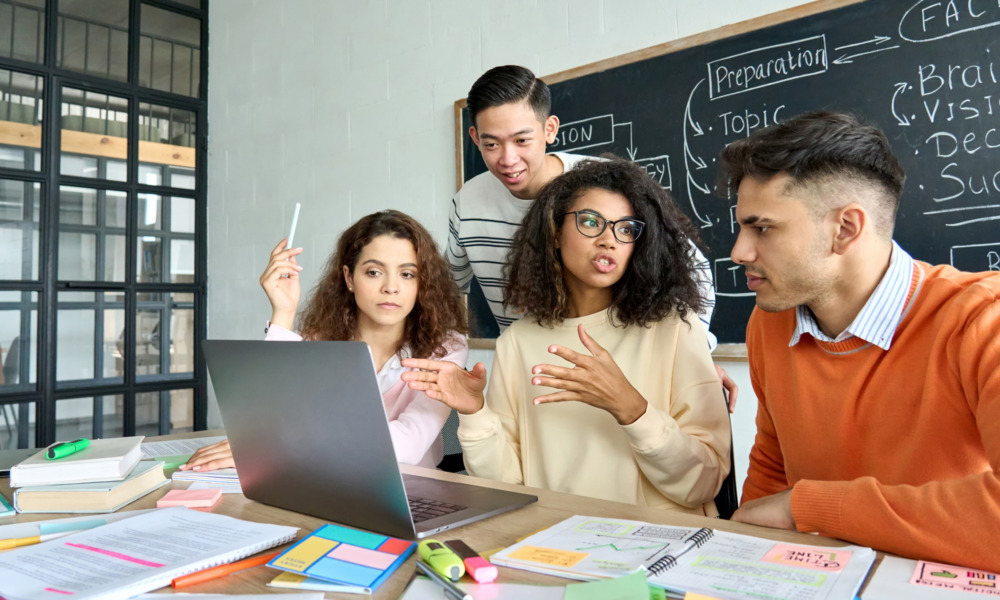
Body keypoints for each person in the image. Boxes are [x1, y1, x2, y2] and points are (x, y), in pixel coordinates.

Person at [722, 111, 1000, 571]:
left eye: (762, 228)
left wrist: (809, 507)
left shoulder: (981, 320)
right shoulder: (770, 323)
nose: (739, 252)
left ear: (846, 228)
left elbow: (791, 503)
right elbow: (773, 468)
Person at [404, 158, 732, 515]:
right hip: (552, 543)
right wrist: (474, 412)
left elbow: (703, 483)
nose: (609, 240)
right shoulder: (518, 342)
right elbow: (506, 484)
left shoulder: (675, 329)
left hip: (655, 549)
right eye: (591, 222)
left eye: (625, 229)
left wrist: (631, 408)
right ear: (555, 233)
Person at [448, 65, 739, 410]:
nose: (508, 159)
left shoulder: (603, 188)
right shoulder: (467, 203)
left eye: (522, 140)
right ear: (474, 137)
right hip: (529, 376)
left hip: (620, 376)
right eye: (491, 144)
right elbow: (449, 290)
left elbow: (695, 271)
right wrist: (450, 359)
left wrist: (693, 355)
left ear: (549, 129)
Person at [181, 210, 469, 471]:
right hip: (320, 477)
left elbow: (408, 446)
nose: (391, 287)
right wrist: (284, 311)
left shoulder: (446, 348)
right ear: (349, 278)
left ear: (422, 283)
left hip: (412, 494)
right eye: (373, 272)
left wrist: (278, 445)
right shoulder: (320, 340)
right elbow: (266, 417)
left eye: (407, 274)